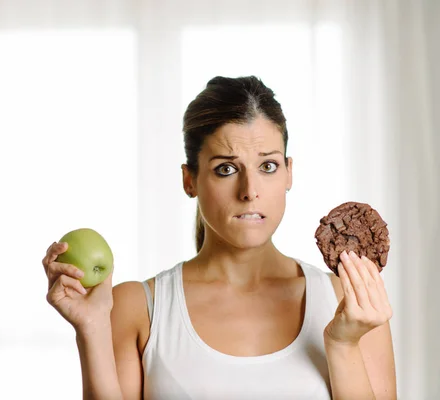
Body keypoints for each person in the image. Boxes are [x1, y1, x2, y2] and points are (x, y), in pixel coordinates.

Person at [42, 76, 397, 400]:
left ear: (289, 173)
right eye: (226, 169)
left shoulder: (350, 304)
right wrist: (91, 330)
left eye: (268, 166)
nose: (250, 191)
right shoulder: (137, 308)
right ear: (190, 180)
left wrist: (343, 344)